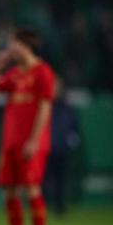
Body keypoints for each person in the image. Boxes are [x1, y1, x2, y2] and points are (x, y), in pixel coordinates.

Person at [0, 28, 55, 225]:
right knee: (10, 192)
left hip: (31, 143)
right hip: (10, 143)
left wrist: (34, 140)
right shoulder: (14, 74)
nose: (10, 49)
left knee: (32, 189)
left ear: (26, 46)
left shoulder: (43, 72)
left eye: (13, 45)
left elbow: (45, 108)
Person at [43, 77, 79, 216]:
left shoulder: (67, 107)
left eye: (57, 87)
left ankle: (60, 206)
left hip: (62, 149)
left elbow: (74, 127)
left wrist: (70, 142)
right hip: (46, 148)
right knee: (44, 179)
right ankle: (42, 206)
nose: (55, 90)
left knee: (61, 179)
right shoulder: (45, 105)